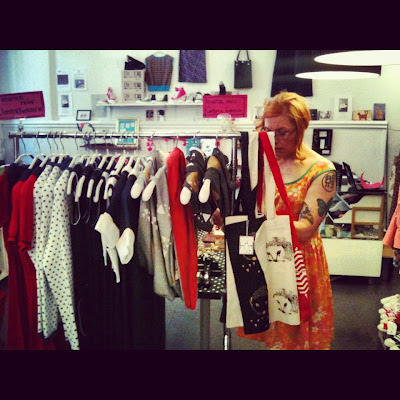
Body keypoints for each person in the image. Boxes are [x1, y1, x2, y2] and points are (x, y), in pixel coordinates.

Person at [237, 91, 336, 350]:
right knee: (274, 335)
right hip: (268, 258)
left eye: (282, 132)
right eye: (268, 132)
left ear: (300, 129)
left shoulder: (321, 170)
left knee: (300, 340)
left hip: (300, 264)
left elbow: (304, 230)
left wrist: (257, 223)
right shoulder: (260, 162)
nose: (275, 140)